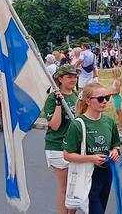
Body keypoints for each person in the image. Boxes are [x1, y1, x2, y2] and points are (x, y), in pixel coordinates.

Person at [63, 83, 121, 214]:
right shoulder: (78, 124)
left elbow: (116, 144)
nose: (105, 101)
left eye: (107, 97)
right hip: (88, 174)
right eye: (100, 98)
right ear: (88, 101)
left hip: (106, 173)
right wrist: (91, 158)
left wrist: (115, 151)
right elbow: (67, 155)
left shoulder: (109, 121)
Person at [44, 64, 78, 214]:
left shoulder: (77, 96)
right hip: (58, 147)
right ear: (60, 79)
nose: (73, 79)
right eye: (69, 77)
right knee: (66, 186)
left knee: (76, 188)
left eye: (75, 76)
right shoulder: (52, 98)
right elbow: (55, 125)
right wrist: (59, 104)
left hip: (75, 147)